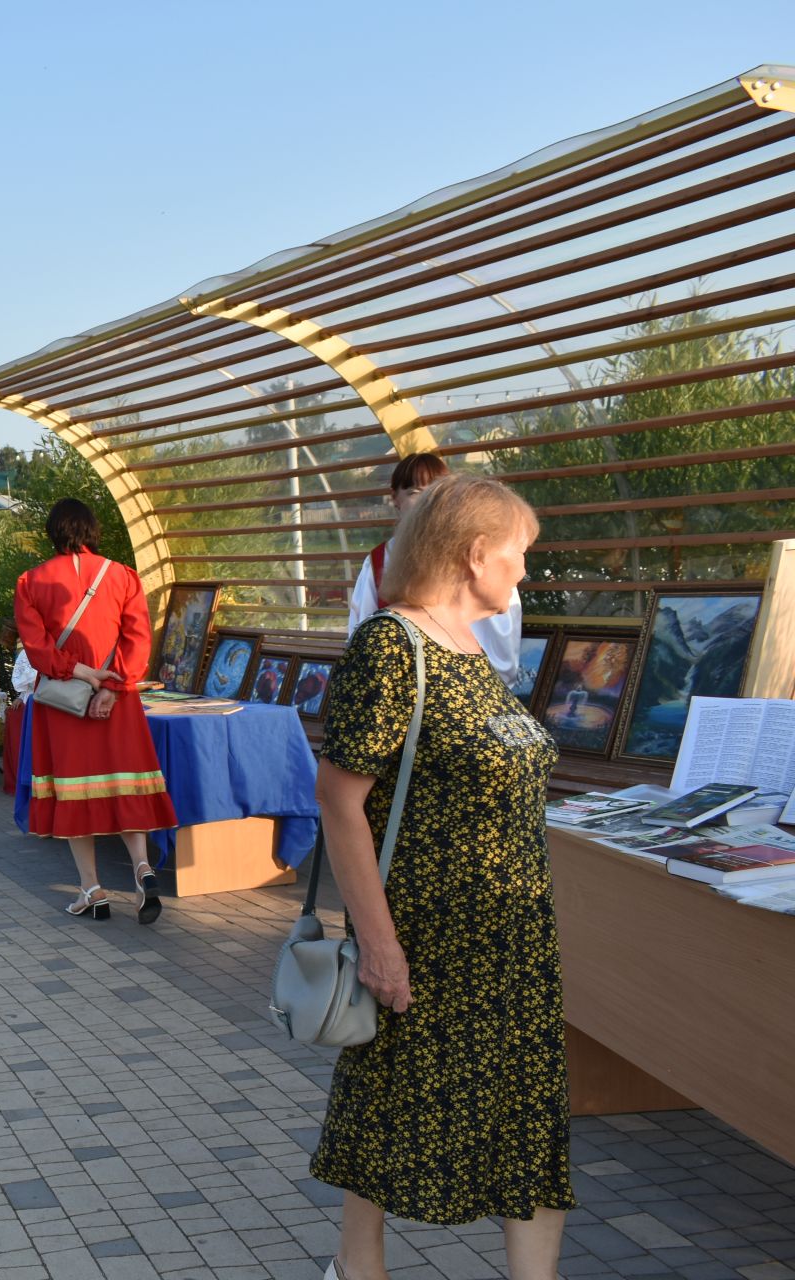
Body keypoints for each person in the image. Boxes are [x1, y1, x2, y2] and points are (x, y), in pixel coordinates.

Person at [312, 476, 568, 1280]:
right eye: (519, 556)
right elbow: (339, 801)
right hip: (428, 946)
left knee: (528, 1127)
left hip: (513, 946)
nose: (525, 574)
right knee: (389, 1109)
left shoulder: (473, 648)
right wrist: (380, 947)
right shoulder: (393, 647)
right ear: (474, 553)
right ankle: (359, 1267)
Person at [15, 498, 176, 926]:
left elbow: (38, 651)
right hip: (117, 703)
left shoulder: (30, 582)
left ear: (53, 532)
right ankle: (142, 868)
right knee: (125, 786)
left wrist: (82, 674)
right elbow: (139, 640)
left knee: (75, 795)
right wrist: (114, 686)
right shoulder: (122, 576)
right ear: (91, 530)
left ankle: (93, 890)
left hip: (65, 706)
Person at [347, 451, 522, 684]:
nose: (426, 502)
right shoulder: (379, 561)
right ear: (395, 499)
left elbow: (502, 640)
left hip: (471, 691)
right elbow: (361, 638)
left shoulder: (475, 557)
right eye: (415, 493)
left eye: (435, 492)